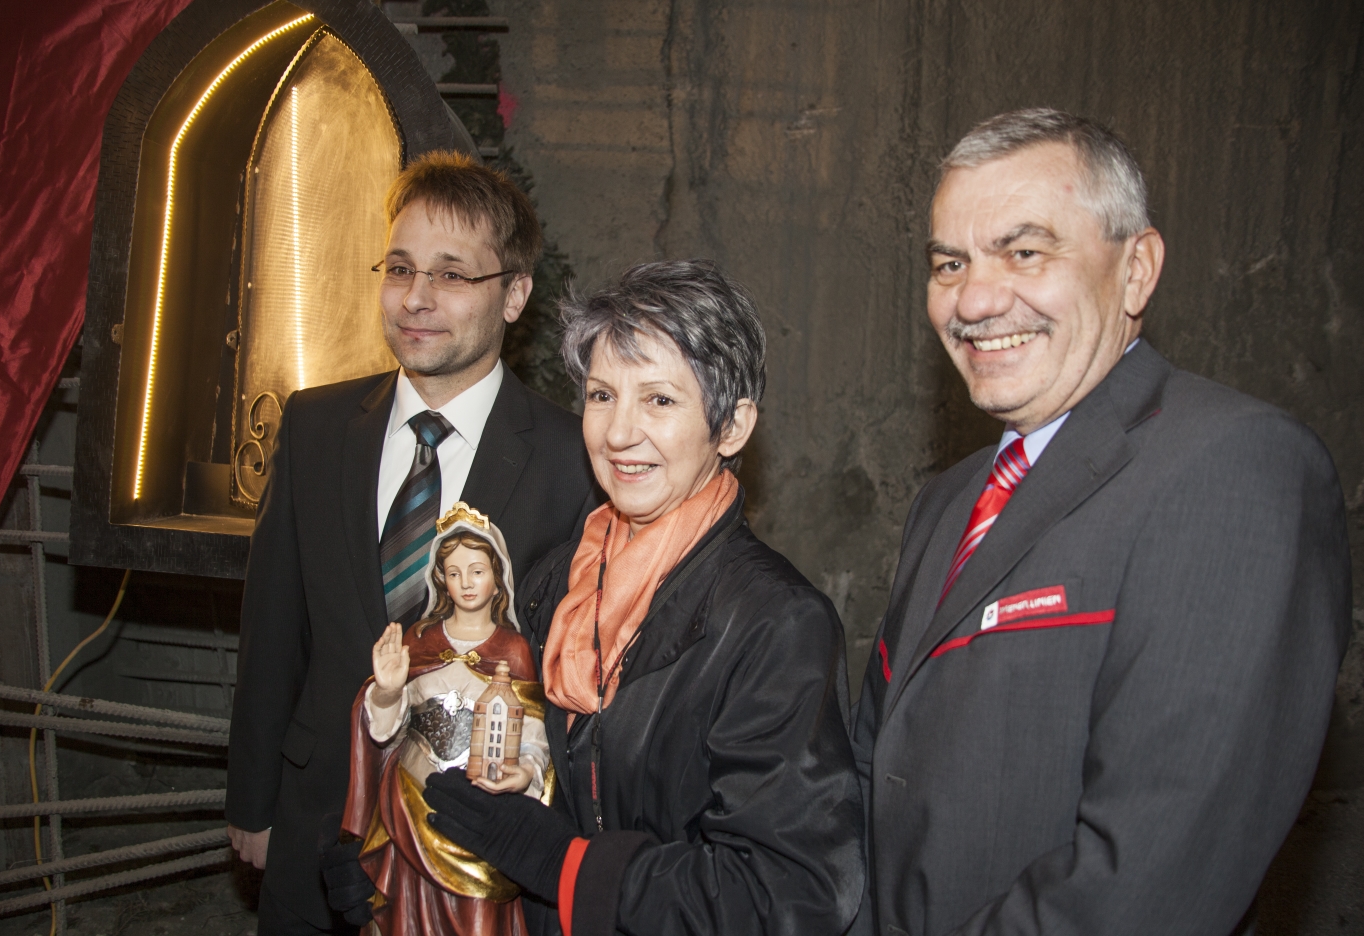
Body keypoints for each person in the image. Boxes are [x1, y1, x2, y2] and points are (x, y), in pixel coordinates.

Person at [851, 108, 1352, 935]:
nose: (974, 299)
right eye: (950, 263)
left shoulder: (1234, 468)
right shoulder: (949, 499)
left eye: (1024, 251)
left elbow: (1151, 882)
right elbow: (876, 772)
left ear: (1136, 270)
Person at [423, 260, 865, 936]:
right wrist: (404, 866)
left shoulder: (775, 624)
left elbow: (785, 895)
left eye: (659, 399)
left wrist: (567, 867)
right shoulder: (550, 584)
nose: (619, 433)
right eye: (602, 396)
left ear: (733, 426)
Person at [226, 150, 599, 935]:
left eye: (453, 275)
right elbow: (272, 631)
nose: (417, 298)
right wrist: (253, 801)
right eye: (400, 268)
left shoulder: (574, 459)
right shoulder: (316, 427)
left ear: (515, 295)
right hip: (317, 816)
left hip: (474, 853)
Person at [341, 503, 548, 936]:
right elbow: (385, 731)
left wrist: (525, 771)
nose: (466, 583)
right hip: (411, 807)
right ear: (441, 579)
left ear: (497, 579)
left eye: (476, 571)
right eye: (454, 573)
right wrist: (388, 691)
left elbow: (532, 734)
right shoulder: (419, 641)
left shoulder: (514, 651)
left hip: (479, 817)